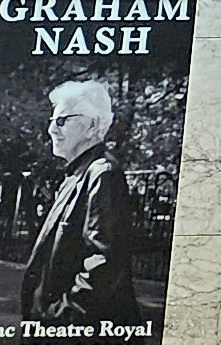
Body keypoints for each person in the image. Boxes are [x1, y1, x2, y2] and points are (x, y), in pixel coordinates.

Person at [20, 76, 143, 329]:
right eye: (53, 121)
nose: (52, 129)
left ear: (91, 126)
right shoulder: (78, 173)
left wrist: (58, 319)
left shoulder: (102, 173)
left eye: (62, 121)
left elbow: (103, 265)